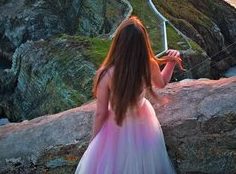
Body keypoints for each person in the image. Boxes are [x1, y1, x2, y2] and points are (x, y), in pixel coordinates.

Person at [75, 16, 184, 174]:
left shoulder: (105, 74)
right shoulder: (149, 64)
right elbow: (161, 83)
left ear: (118, 42)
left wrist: (94, 141)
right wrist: (171, 63)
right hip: (143, 122)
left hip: (115, 123)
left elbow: (101, 113)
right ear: (143, 43)